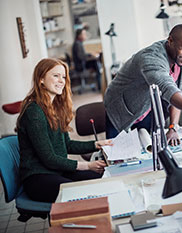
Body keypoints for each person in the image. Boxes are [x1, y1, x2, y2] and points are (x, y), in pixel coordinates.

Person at [16, 58, 112, 203]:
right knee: (86, 192)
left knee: (100, 181)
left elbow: (67, 145)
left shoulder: (55, 108)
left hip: (56, 171)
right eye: (56, 76)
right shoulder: (34, 112)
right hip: (38, 177)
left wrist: (97, 144)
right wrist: (87, 165)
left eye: (64, 76)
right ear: (41, 79)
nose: (61, 80)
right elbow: (49, 158)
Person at [104, 24, 182, 141]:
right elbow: (168, 88)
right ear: (170, 41)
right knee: (118, 151)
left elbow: (177, 90)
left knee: (148, 147)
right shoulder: (151, 58)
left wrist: (173, 127)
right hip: (121, 109)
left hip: (146, 107)